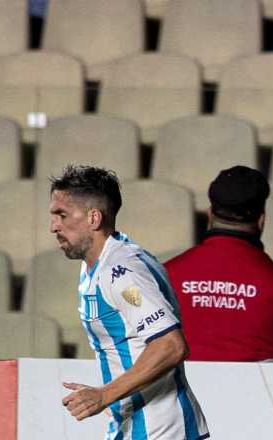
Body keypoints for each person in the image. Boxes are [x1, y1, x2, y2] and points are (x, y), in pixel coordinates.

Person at [48, 165, 209, 440]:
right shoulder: (105, 262)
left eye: (61, 215)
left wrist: (104, 395)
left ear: (93, 218)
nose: (53, 226)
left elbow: (170, 345)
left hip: (159, 431)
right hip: (138, 426)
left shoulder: (121, 271)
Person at [165, 165, 273, 363]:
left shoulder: (165, 274)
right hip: (255, 394)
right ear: (261, 220)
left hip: (178, 392)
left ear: (210, 214)